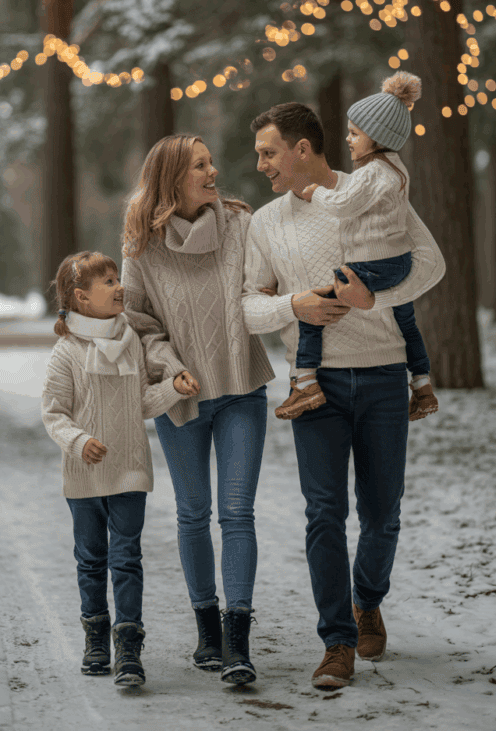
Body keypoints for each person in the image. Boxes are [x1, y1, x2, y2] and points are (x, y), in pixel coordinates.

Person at [242, 102, 445, 691]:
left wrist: (371, 301)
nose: (261, 166)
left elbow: (431, 264)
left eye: (269, 152)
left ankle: (367, 599)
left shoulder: (372, 190)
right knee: (324, 513)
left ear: (302, 149)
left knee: (382, 517)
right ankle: (337, 641)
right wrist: (293, 306)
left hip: (383, 377)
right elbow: (249, 306)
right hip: (316, 387)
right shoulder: (268, 222)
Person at [121, 134, 274, 686]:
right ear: (171, 179)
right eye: (200, 166)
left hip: (240, 387)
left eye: (212, 161)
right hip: (180, 395)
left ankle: (237, 641)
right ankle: (206, 630)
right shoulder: (142, 244)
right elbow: (138, 322)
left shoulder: (239, 223)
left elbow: (260, 290)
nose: (214, 171)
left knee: (236, 513)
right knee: (192, 513)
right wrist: (168, 365)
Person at [41, 250, 195, 687]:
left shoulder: (131, 342)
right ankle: (95, 638)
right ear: (81, 297)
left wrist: (172, 388)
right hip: (84, 477)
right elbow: (54, 413)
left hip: (129, 469)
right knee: (91, 560)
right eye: (107, 281)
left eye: (116, 278)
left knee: (127, 559)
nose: (119, 286)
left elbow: (140, 403)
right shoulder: (66, 352)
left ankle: (128, 646)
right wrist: (79, 441)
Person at [275, 72, 439, 422]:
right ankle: (422, 386)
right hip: (398, 263)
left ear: (376, 137)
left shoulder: (369, 172)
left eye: (354, 134)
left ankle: (305, 383)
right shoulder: (397, 169)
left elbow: (343, 206)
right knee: (406, 323)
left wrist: (315, 192)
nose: (348, 140)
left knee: (312, 309)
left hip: (369, 266)